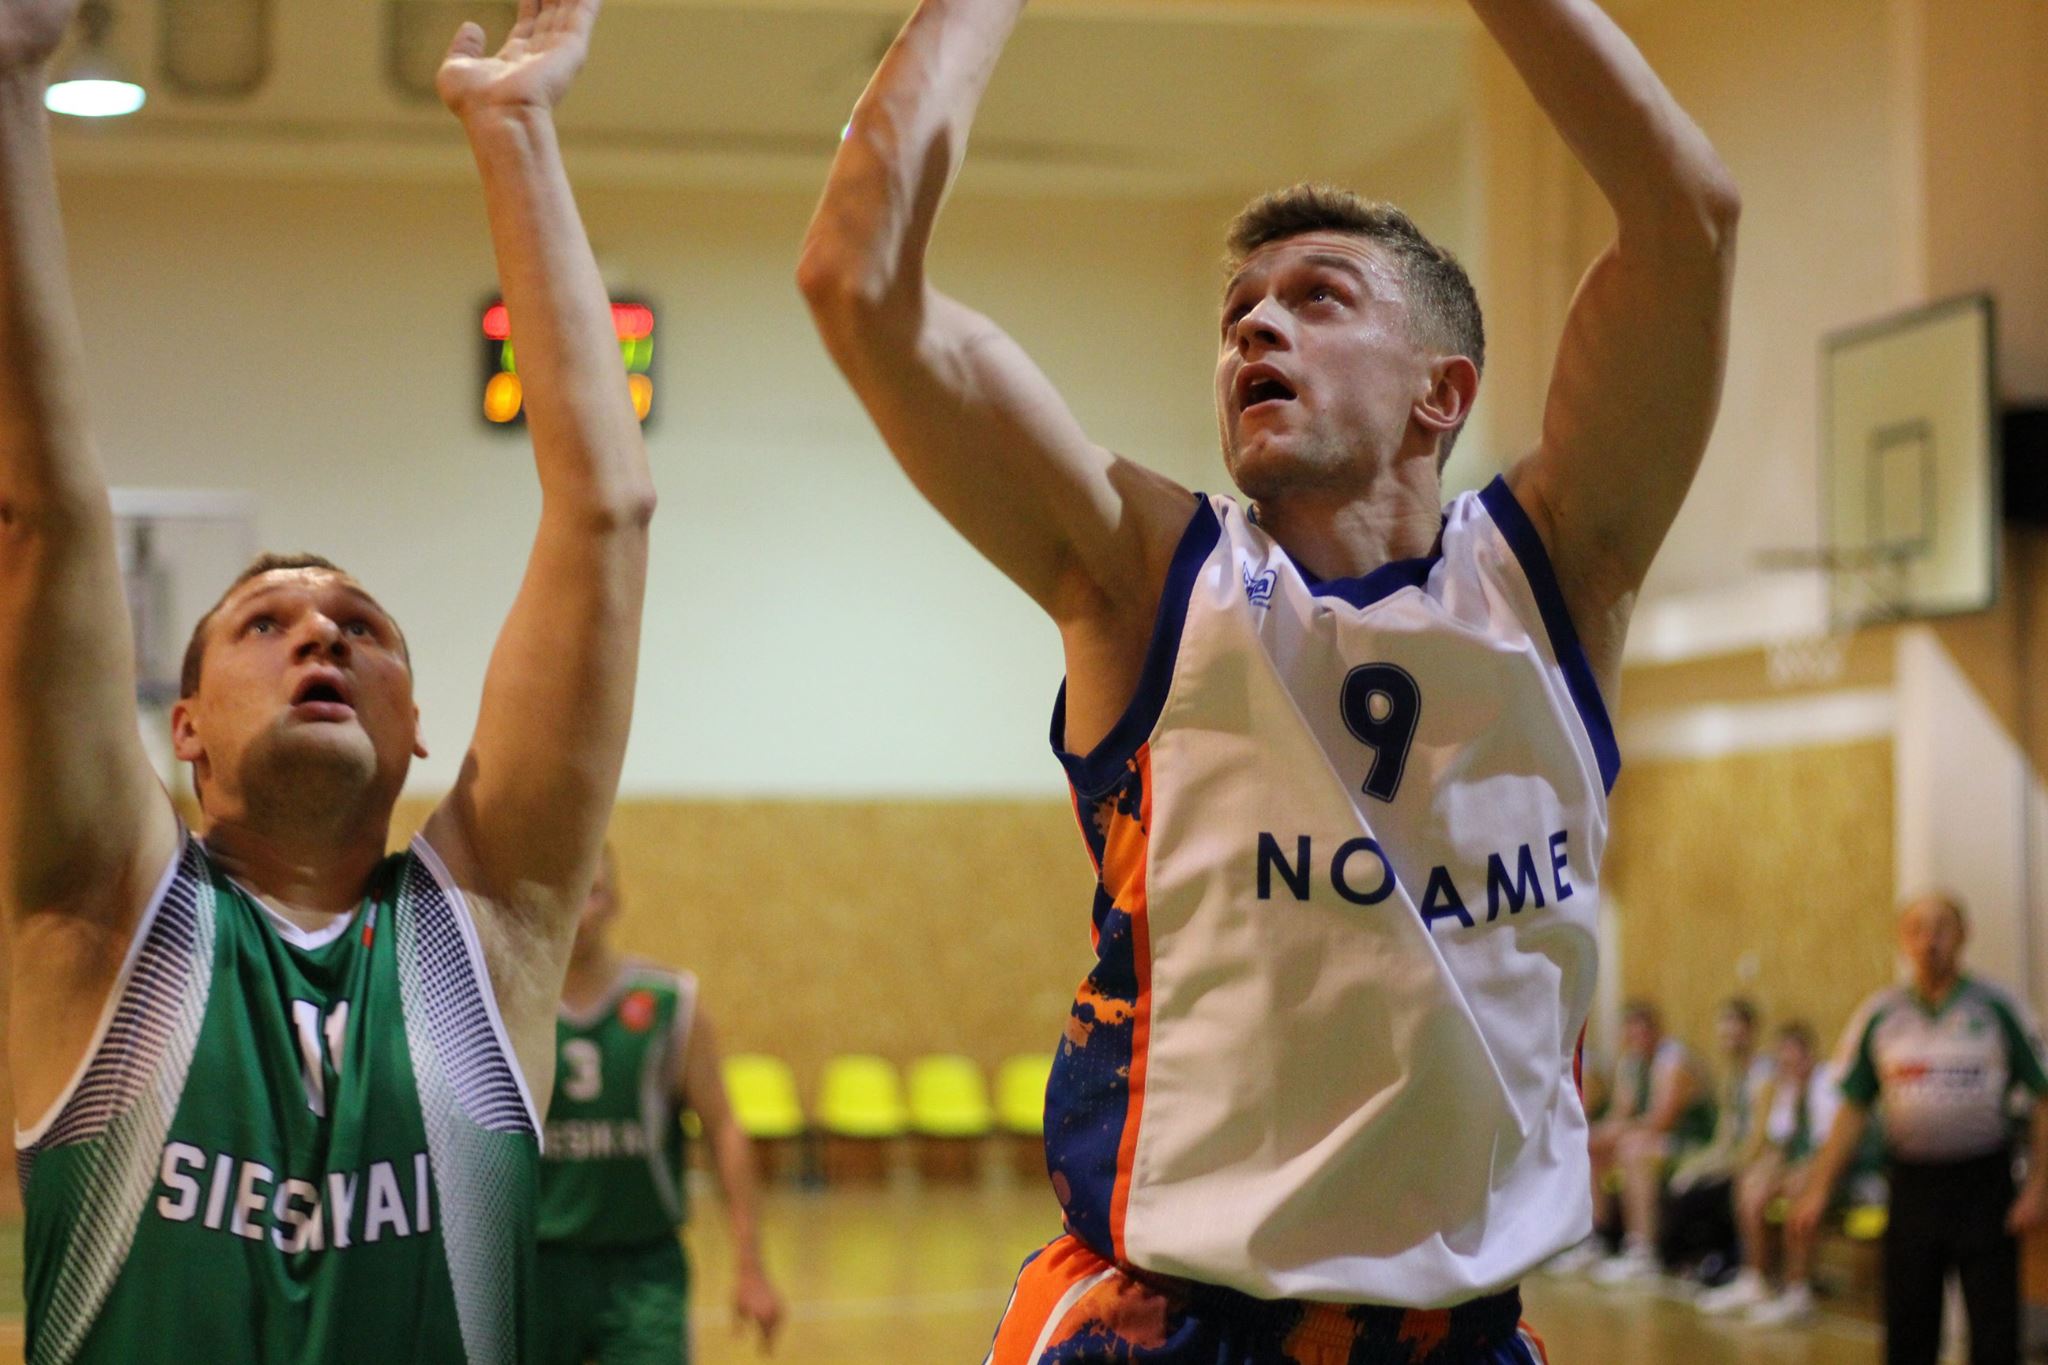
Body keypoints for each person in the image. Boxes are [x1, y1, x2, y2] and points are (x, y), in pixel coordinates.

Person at [798, 0, 1738, 1355]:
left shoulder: (1554, 572)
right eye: (1238, 311)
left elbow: (1687, 221)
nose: (1255, 327)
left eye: (1316, 298)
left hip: (1460, 1334)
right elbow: (857, 278)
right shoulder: (1149, 579)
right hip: (1178, 1322)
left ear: (1440, 391)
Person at [0, 1, 655, 1359]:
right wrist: (8, 78)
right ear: (182, 727)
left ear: (417, 732)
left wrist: (517, 130)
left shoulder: (489, 931)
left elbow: (606, 515)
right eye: (265, 624)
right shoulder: (103, 913)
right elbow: (44, 518)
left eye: (362, 626)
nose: (320, 636)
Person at [537, 845, 784, 1363]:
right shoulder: (508, 1002)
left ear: (615, 900)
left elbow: (723, 1129)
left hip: (643, 1267)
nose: (579, 910)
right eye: (564, 892)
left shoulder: (670, 1001)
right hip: (535, 1261)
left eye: (592, 892)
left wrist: (751, 1265)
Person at [1792, 895, 2048, 1365]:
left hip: (1984, 1186)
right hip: (1912, 1187)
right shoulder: (1881, 1014)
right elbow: (1853, 1107)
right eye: (1917, 929)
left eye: (1941, 928)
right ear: (1902, 940)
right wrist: (1818, 1188)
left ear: (1963, 935)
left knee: (1994, 1330)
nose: (1930, 941)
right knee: (1909, 1326)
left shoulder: (1997, 1006)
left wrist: (2038, 1187)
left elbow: (2043, 1097)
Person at [1696, 1019, 1838, 1325]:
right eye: (1783, 1061)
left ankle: (1798, 1291)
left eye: (1793, 1058)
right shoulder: (1787, 1090)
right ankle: (1754, 1279)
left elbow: (1830, 1150)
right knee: (1753, 1184)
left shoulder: (1827, 1083)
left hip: (1842, 1174)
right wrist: (1766, 1172)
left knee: (1800, 1187)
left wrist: (1795, 1174)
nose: (1788, 1067)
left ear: (1809, 1055)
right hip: (1803, 1168)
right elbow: (1779, 1146)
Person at [1566, 999, 1711, 1282]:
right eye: (1630, 1032)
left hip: (1690, 1142)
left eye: (1641, 1031)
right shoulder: (1632, 1063)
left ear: (1656, 1031)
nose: (1635, 1038)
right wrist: (1599, 1135)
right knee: (1591, 1146)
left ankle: (1643, 1248)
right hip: (1650, 1138)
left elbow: (1662, 1121)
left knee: (1633, 1151)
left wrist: (1619, 1132)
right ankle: (1595, 1237)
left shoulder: (1672, 1061)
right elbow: (1622, 1112)